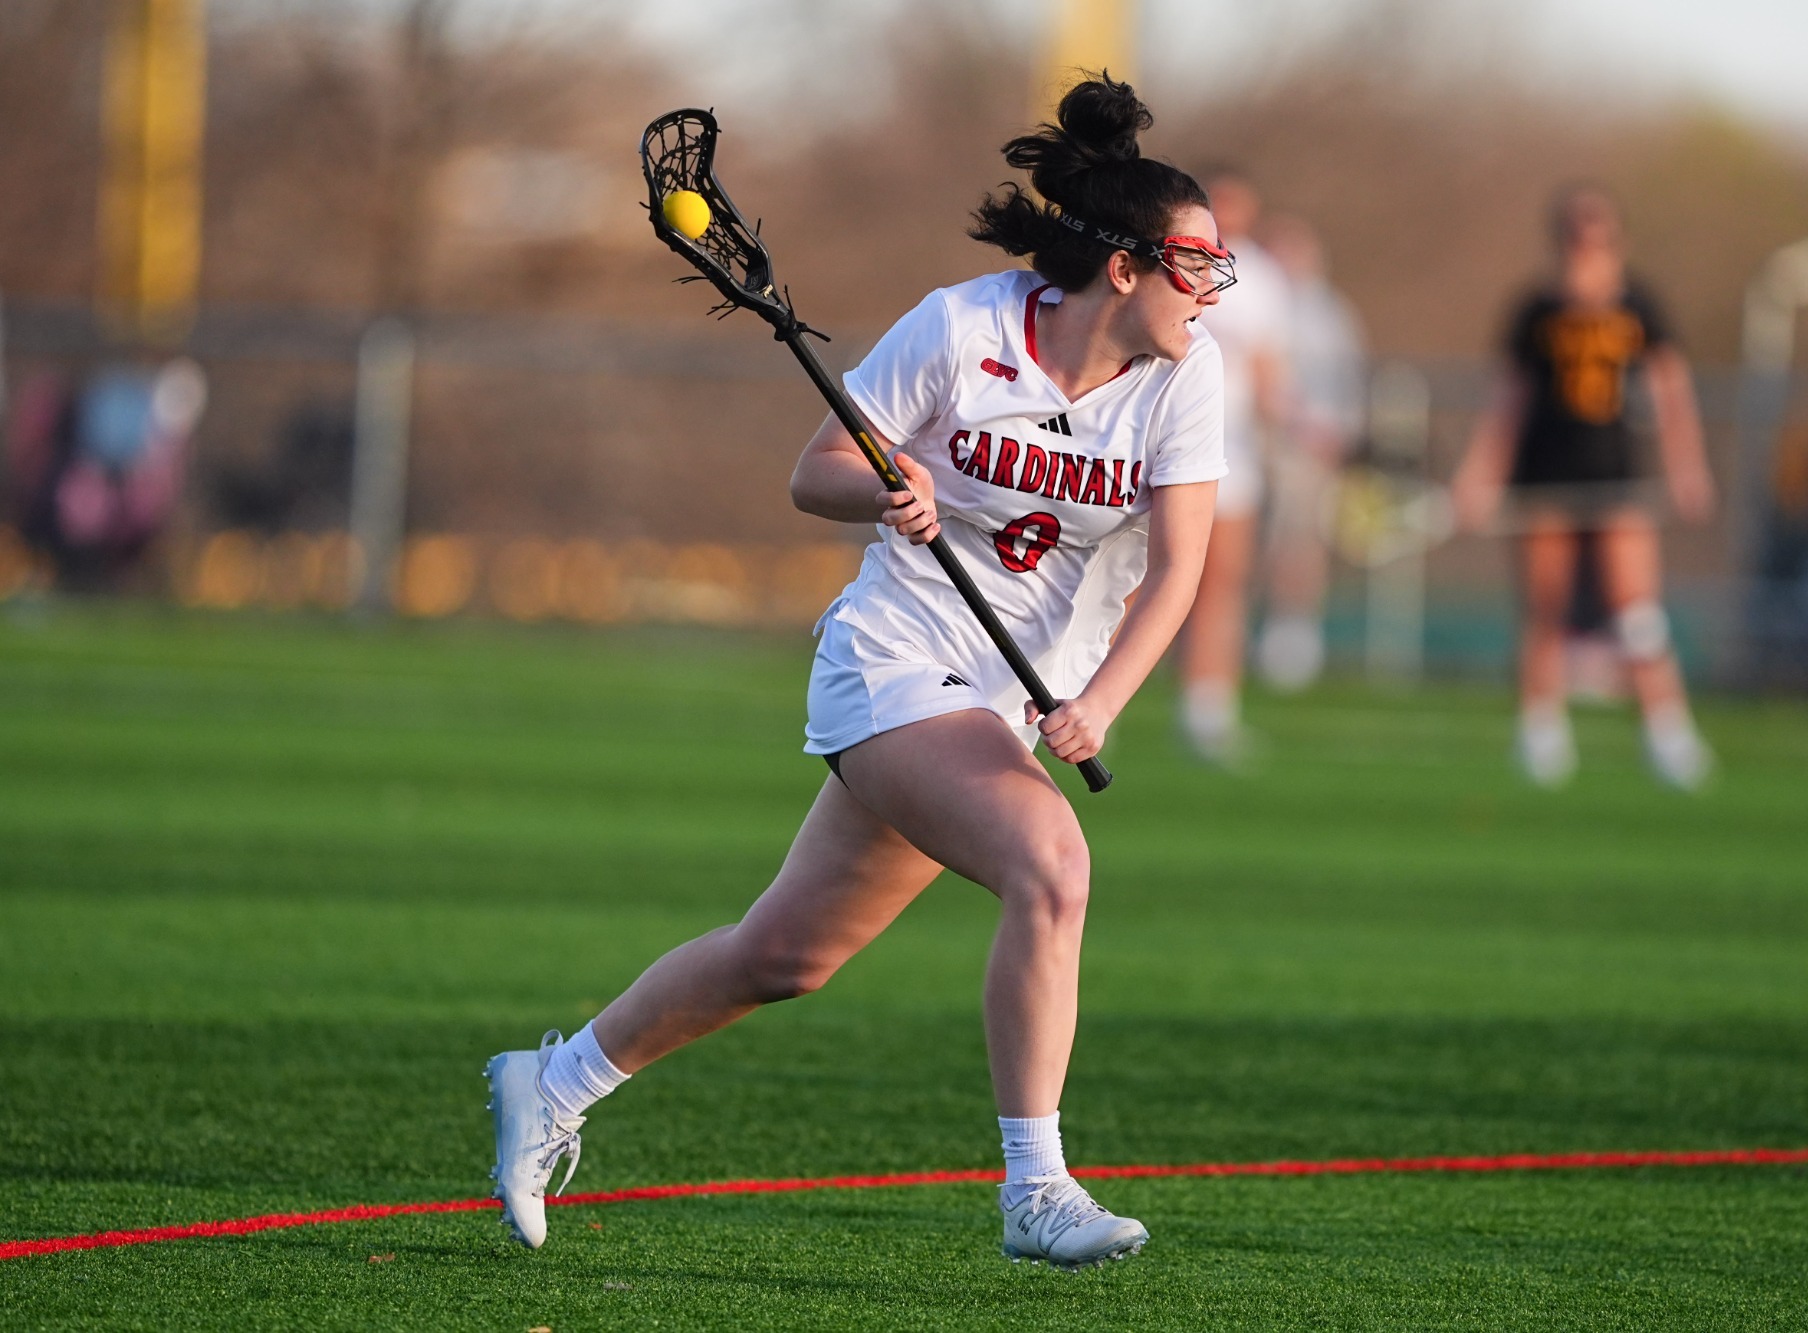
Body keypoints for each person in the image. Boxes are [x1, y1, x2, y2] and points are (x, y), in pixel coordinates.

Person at [483, 73, 1230, 1270]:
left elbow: (1177, 573)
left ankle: (550, 1080)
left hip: (1000, 707)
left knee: (784, 957)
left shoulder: (1184, 379)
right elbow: (815, 472)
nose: (1212, 285)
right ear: (1127, 268)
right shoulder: (962, 327)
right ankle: (1034, 1187)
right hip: (893, 663)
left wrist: (1098, 701)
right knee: (1051, 861)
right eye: (1195, 262)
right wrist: (892, 484)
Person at [1451, 184, 1715, 789]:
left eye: (1597, 233)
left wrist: (1687, 466)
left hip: (1617, 476)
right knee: (1545, 610)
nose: (1585, 245)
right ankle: (1542, 735)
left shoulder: (1639, 303)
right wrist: (1480, 474)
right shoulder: (1536, 311)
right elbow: (1508, 401)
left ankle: (1667, 734)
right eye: (1575, 233)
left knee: (1637, 613)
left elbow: (1672, 390)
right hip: (1546, 477)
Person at [1176, 167, 1290, 762]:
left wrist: (1300, 427)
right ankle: (1084, 699)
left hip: (1231, 453)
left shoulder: (1263, 280)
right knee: (1122, 577)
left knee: (1219, 583)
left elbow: (1270, 373)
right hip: (1157, 445)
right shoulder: (1163, 261)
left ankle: (1207, 710)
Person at [1255, 213, 1367, 691]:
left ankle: (1292, 636)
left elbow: (1346, 382)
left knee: (1299, 542)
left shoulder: (1330, 314)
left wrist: (1337, 434)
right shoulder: (1256, 303)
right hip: (1253, 441)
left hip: (1305, 448)